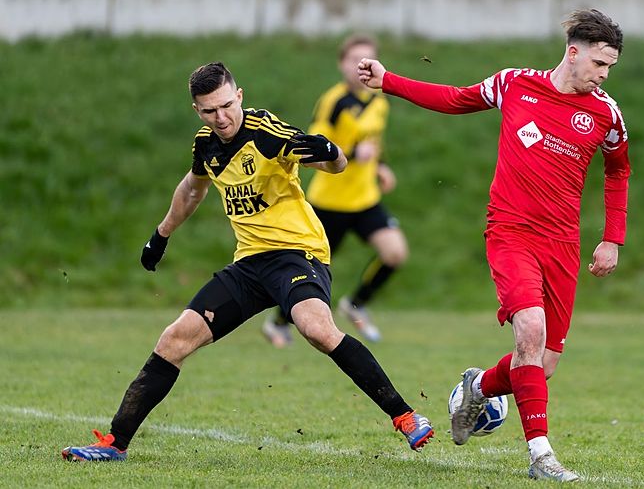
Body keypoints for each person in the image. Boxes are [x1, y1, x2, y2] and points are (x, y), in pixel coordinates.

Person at [61, 62, 433, 462]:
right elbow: (192, 189)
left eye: (226, 106)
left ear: (239, 96)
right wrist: (161, 235)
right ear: (197, 111)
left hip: (297, 253)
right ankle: (114, 444)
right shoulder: (206, 145)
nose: (221, 117)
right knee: (174, 339)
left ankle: (406, 417)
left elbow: (328, 160)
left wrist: (334, 156)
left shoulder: (267, 133)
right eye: (209, 111)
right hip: (250, 264)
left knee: (317, 330)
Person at [358, 9, 631, 482]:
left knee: (543, 364)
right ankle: (541, 456)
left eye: (610, 67)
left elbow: (619, 170)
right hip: (510, 232)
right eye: (600, 64)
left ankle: (479, 386)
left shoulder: (606, 113)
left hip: (562, 243)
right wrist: (389, 82)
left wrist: (612, 238)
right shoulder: (515, 84)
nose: (604, 74)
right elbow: (454, 98)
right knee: (530, 331)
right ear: (573, 53)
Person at [262, 35, 405, 346]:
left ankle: (356, 304)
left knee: (395, 253)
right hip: (330, 202)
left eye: (366, 59)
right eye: (353, 60)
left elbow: (374, 142)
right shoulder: (333, 101)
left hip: (365, 199)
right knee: (309, 271)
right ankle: (277, 323)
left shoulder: (380, 101)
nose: (359, 67)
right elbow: (314, 147)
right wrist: (352, 153)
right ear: (341, 64)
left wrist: (380, 166)